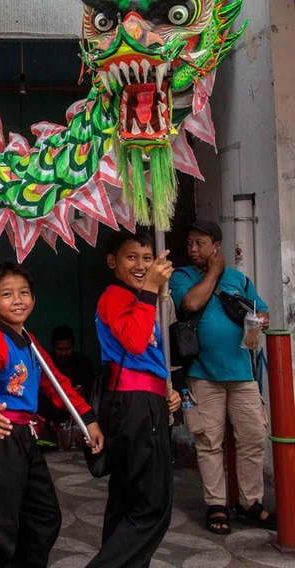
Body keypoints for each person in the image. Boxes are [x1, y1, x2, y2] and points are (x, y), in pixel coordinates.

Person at [0, 262, 104, 568]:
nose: (17, 300)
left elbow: (58, 385)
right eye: (7, 294)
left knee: (44, 516)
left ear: (34, 299)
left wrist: (88, 417)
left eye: (24, 293)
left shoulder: (30, 343)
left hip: (26, 439)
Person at [170, 220, 273, 533]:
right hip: (202, 373)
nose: (192, 249)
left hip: (243, 373)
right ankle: (216, 504)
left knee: (253, 437)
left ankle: (249, 502)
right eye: (189, 243)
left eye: (199, 243)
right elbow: (190, 304)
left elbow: (262, 309)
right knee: (208, 441)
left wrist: (262, 319)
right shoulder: (181, 276)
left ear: (215, 245)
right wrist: (215, 271)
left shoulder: (239, 279)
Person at [87, 231, 181, 568]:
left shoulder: (140, 298)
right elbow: (136, 342)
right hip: (134, 405)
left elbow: (149, 355)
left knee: (126, 500)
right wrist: (151, 289)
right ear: (112, 261)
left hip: (141, 400)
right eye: (132, 257)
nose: (141, 266)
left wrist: (165, 390)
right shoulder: (118, 296)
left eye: (147, 258)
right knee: (152, 508)